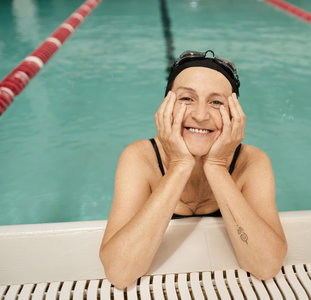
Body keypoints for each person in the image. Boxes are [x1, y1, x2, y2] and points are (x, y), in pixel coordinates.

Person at [99, 50, 287, 289]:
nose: (200, 115)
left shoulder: (251, 162)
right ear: (167, 106)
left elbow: (266, 266)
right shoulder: (141, 158)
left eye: (216, 102)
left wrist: (217, 167)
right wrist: (180, 165)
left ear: (234, 113)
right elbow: (119, 273)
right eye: (187, 98)